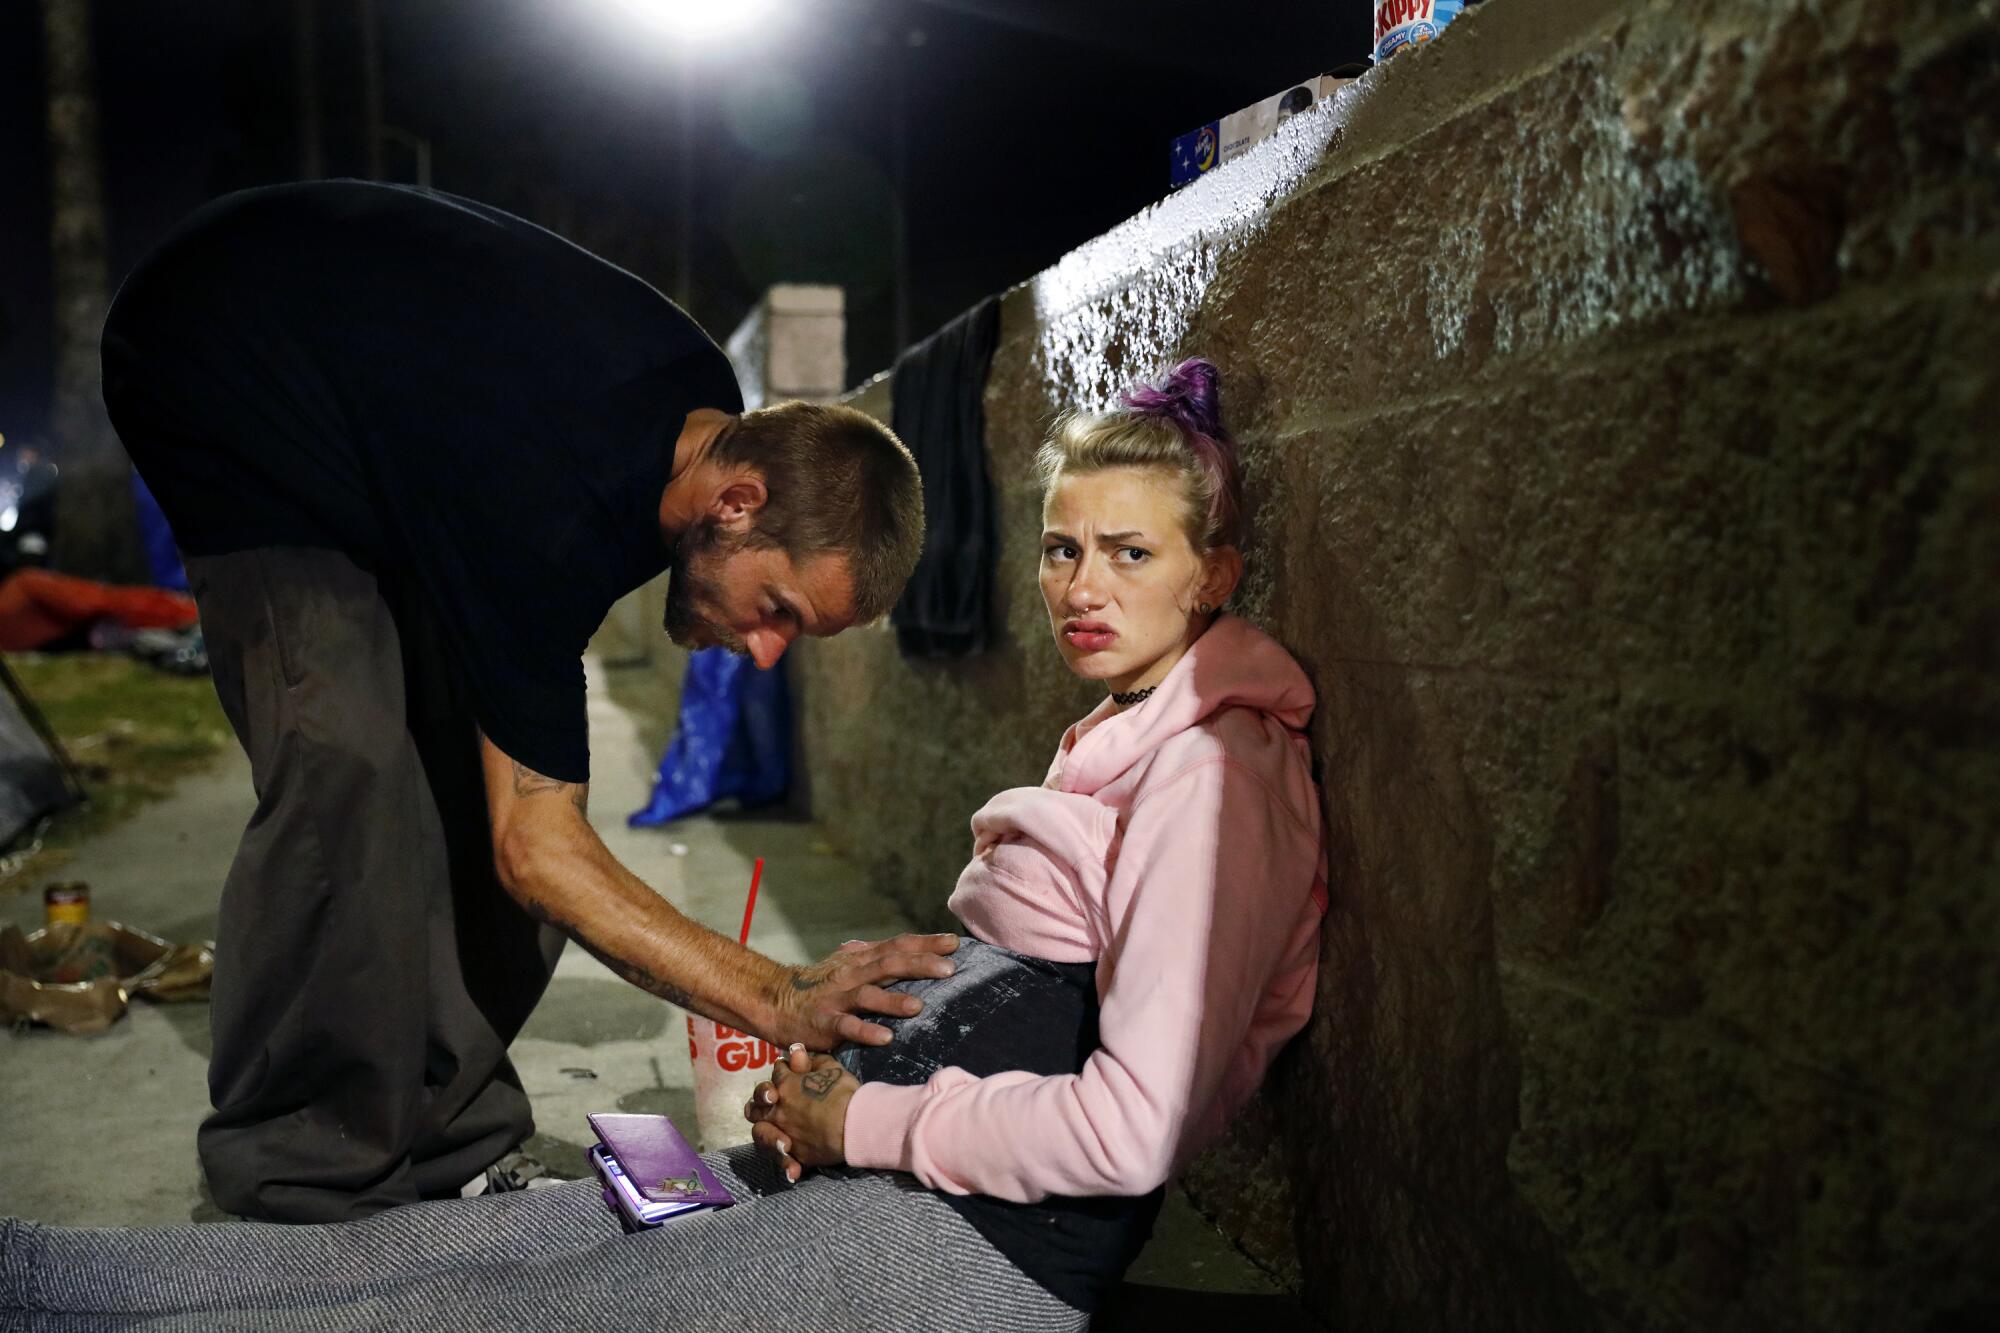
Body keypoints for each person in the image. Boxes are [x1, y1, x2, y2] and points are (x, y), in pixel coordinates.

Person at [2, 359, 1326, 1332]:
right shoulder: (1127, 730)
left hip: (966, 1244)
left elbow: (1133, 1131)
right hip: (873, 1168)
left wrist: (866, 1114)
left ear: (1214, 573)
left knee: (497, 1313)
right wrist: (826, 1090)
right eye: (1060, 549)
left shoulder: (1218, 778)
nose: (1083, 587)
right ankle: (40, 1276)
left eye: (1129, 552)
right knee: (520, 1231)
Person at [95, 181, 956, 1225]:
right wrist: (776, 996)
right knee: (349, 764)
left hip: (394, 430)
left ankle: (449, 1132)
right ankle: (294, 1170)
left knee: (482, 774)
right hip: (221, 355)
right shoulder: (549, 501)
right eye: (775, 609)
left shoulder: (693, 416)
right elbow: (537, 851)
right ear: (736, 502)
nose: (764, 652)